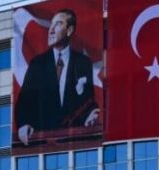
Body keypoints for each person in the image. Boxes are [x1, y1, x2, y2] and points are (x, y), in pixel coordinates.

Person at [14, 8, 100, 147]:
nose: (51, 30)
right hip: (42, 143)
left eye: (58, 24)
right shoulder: (38, 64)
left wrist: (92, 113)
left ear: (69, 30)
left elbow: (88, 101)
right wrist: (23, 125)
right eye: (51, 24)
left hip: (75, 142)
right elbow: (24, 101)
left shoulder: (83, 62)